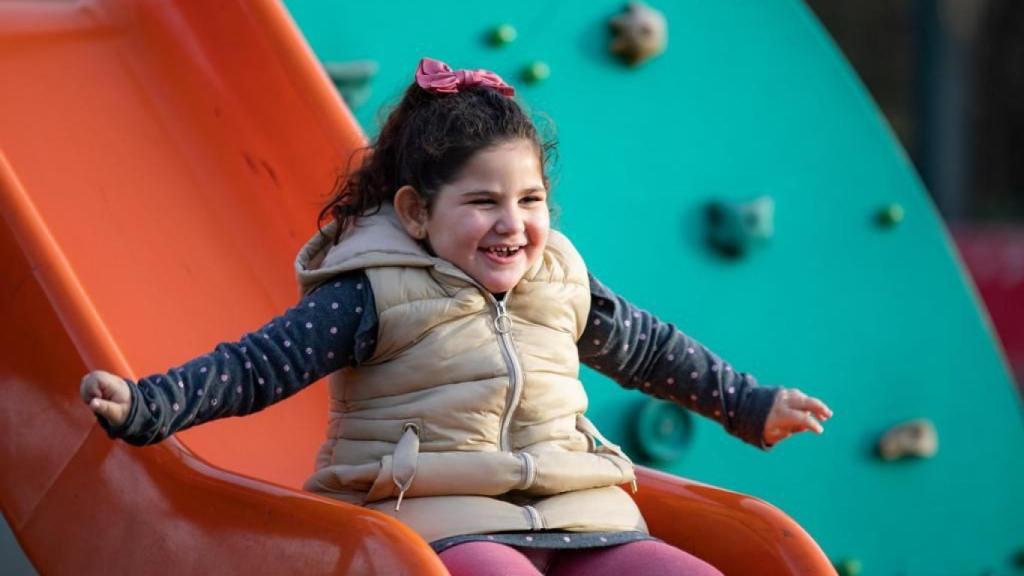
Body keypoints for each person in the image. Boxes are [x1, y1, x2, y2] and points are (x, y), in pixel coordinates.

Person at [80, 57, 832, 576]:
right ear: (415, 212)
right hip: (439, 518)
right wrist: (151, 404)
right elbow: (257, 366)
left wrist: (748, 404)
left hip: (579, 511)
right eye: (482, 202)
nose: (513, 225)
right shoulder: (372, 293)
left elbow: (651, 351)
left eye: (530, 201)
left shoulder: (560, 279)